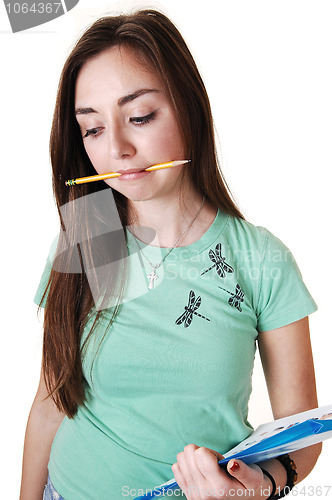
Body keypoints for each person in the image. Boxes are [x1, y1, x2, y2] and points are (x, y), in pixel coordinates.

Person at [19, 9, 321, 500]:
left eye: (139, 117)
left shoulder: (262, 259)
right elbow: (51, 402)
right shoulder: (87, 235)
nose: (116, 148)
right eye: (92, 129)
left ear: (188, 107)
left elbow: (300, 438)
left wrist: (262, 484)